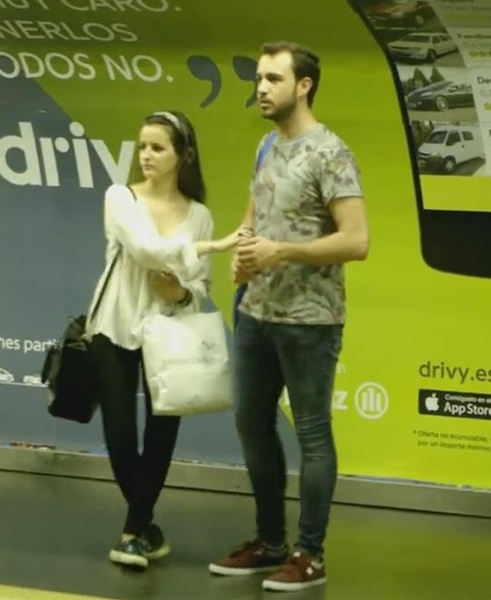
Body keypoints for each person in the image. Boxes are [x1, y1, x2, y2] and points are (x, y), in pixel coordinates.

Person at [209, 41, 370, 592]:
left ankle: (311, 555)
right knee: (252, 425)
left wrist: (281, 251)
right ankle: (270, 544)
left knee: (313, 436)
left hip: (310, 320)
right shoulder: (265, 146)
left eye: (273, 79)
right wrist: (243, 251)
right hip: (255, 312)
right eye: (258, 78)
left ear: (303, 86)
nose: (261, 88)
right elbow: (253, 217)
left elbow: (357, 241)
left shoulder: (331, 153)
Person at [85, 110, 236, 569]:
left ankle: (133, 533)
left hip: (171, 333)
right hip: (114, 326)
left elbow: (201, 286)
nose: (146, 155)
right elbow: (146, 250)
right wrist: (210, 246)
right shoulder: (120, 197)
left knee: (161, 436)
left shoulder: (200, 214)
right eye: (143, 146)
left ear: (183, 155)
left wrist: (180, 292)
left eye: (158, 147)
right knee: (119, 437)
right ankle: (145, 525)